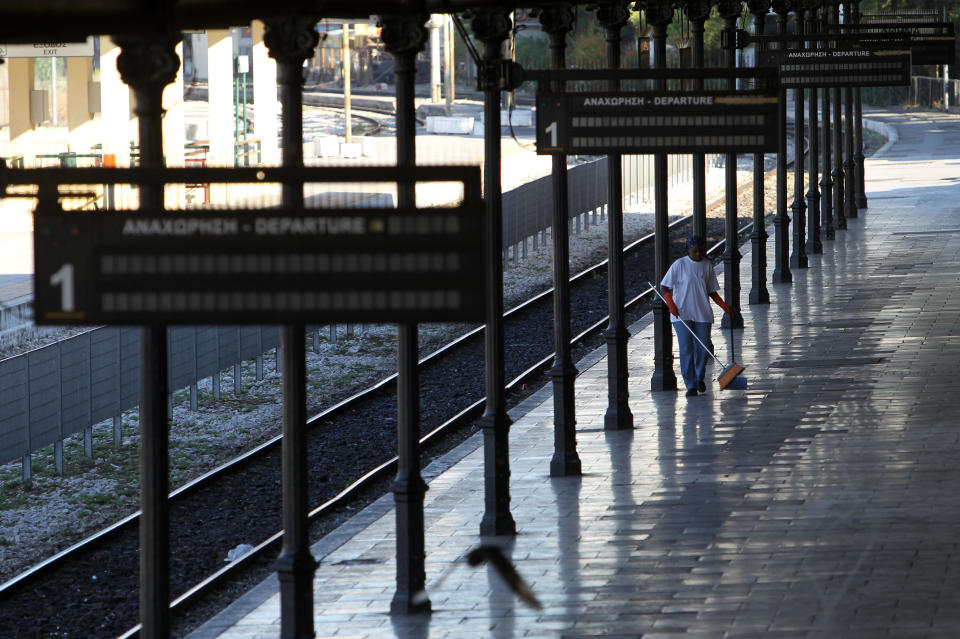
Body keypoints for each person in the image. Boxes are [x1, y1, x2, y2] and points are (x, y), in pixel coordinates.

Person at [660, 235, 731, 397]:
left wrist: (724, 306)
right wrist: (671, 303)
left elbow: (711, 291)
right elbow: (664, 286)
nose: (698, 254)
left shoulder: (707, 265)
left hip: (702, 313)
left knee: (703, 348)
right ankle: (690, 385)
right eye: (695, 251)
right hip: (681, 313)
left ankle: (699, 377)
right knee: (686, 349)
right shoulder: (680, 265)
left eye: (700, 251)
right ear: (688, 250)